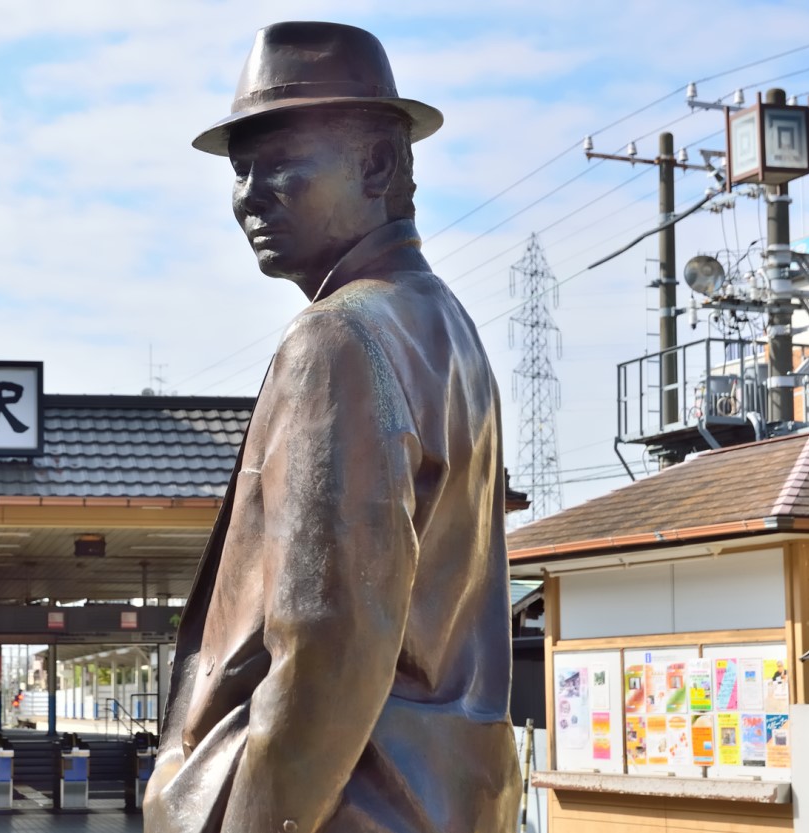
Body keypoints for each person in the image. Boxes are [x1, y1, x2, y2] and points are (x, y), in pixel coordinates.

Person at [144, 21, 519, 832]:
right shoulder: (443, 327)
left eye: (278, 161)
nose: (248, 193)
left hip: (349, 809)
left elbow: (326, 646)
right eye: (241, 168)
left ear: (378, 164)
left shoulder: (338, 338)